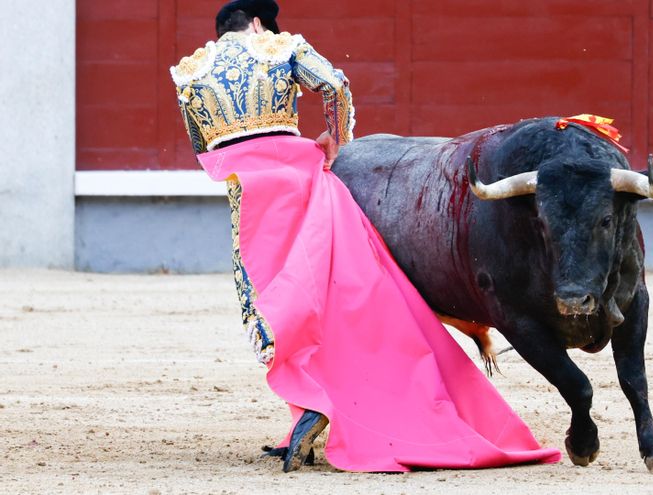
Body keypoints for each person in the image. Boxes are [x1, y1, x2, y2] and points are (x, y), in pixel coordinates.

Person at [170, 0, 560, 473]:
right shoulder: (280, 47)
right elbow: (335, 85)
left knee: (271, 298)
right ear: (257, 23)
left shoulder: (191, 71)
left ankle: (309, 399)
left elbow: (201, 144)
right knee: (347, 295)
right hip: (305, 184)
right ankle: (331, 402)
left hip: (249, 197)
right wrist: (335, 143)